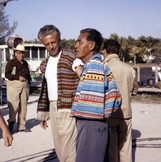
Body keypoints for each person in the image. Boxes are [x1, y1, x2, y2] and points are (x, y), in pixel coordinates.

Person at [70, 28, 122, 162]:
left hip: (90, 124)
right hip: (94, 125)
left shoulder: (94, 66)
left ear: (91, 45)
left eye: (79, 42)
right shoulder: (96, 65)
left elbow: (90, 103)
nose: (76, 46)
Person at [37, 24, 83, 162]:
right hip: (53, 107)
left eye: (53, 42)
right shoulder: (44, 64)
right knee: (59, 146)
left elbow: (85, 78)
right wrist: (43, 114)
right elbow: (45, 90)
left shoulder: (71, 57)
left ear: (59, 40)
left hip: (68, 108)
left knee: (68, 148)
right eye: (47, 44)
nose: (51, 46)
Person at [102, 39, 136, 162]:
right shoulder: (129, 69)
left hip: (110, 114)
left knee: (112, 149)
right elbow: (134, 90)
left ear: (105, 51)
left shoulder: (104, 68)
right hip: (126, 113)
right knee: (125, 148)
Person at [5, 43, 31, 133]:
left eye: (23, 53)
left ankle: (21, 127)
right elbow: (7, 75)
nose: (21, 55)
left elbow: (28, 75)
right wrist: (17, 77)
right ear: (15, 53)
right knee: (14, 106)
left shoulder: (25, 63)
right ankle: (11, 125)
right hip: (14, 85)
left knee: (23, 106)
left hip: (25, 85)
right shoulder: (11, 63)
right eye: (19, 53)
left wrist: (29, 85)